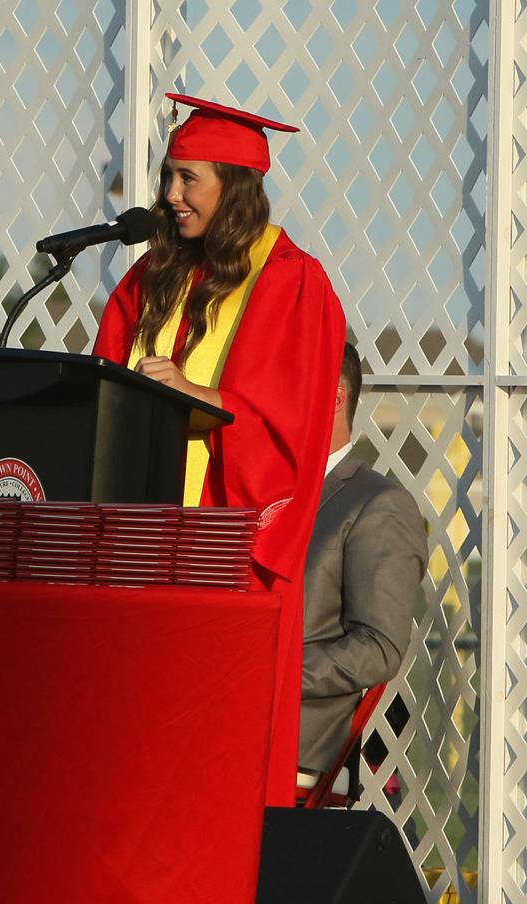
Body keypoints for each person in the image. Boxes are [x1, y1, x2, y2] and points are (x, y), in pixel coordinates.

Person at [93, 93, 346, 805]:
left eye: (187, 179)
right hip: (137, 559)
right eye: (168, 177)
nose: (170, 196)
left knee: (204, 768)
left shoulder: (293, 283)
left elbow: (288, 435)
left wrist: (199, 400)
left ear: (232, 188)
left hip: (224, 558)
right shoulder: (148, 280)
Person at [299, 342, 427, 791]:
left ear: (335, 397)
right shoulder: (261, 492)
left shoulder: (379, 505)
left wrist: (267, 673)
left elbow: (379, 647)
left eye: (284, 382)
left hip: (295, 740)